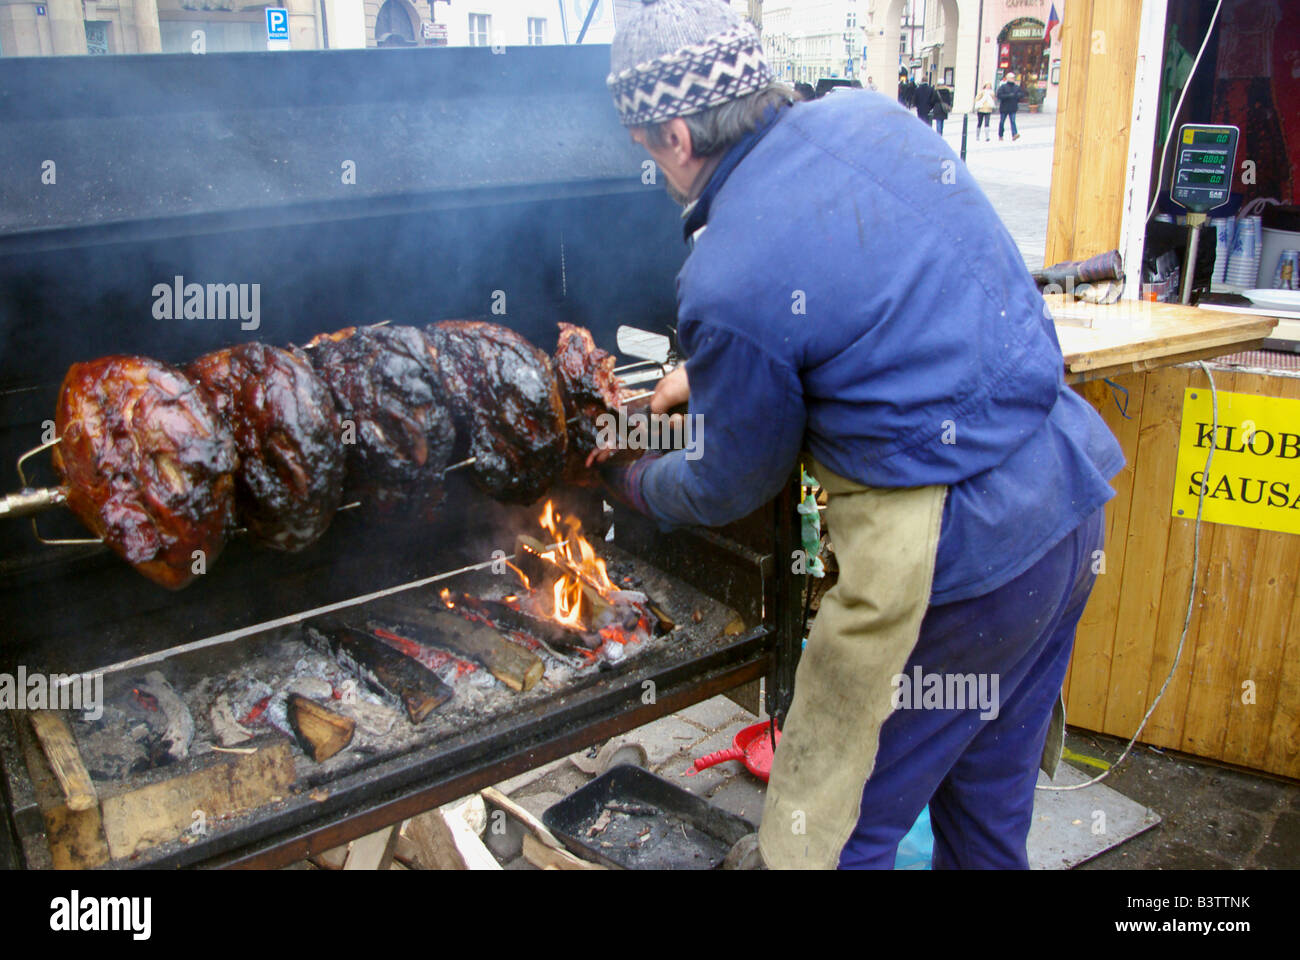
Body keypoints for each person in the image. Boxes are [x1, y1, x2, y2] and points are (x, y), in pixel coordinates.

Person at [603, 0, 1122, 870]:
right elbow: (870, 297)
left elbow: (733, 481)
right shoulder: (871, 116)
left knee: (828, 837)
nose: (654, 168)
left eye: (647, 147)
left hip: (950, 571)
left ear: (678, 136)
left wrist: (630, 479)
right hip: (1064, 504)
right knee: (988, 829)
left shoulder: (726, 270)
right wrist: (715, 367)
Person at [997, 71, 1023, 140]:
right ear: (1008, 78)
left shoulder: (1017, 87)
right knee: (1002, 122)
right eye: (1011, 78)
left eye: (1013, 78)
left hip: (1013, 107)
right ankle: (1000, 135)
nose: (1013, 79)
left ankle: (1014, 134)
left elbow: (1021, 94)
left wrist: (1018, 96)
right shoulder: (1003, 87)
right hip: (1004, 107)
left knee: (1013, 121)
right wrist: (1008, 96)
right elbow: (999, 95)